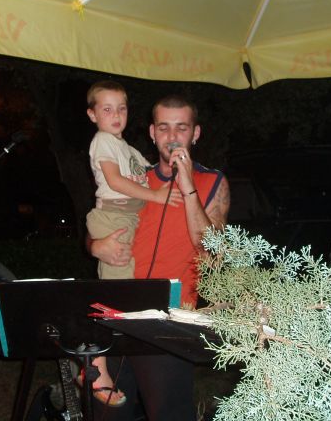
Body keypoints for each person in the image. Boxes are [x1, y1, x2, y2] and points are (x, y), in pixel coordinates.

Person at [88, 94, 230, 421]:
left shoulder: (212, 182)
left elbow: (212, 253)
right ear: (152, 133)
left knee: (168, 413)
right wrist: (96, 246)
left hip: (169, 319)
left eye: (182, 128)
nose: (172, 136)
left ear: (195, 133)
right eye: (164, 128)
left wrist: (187, 185)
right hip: (119, 310)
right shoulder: (134, 178)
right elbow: (101, 220)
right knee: (109, 414)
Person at [84, 81, 182, 407]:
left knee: (120, 295)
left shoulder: (128, 149)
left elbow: (146, 172)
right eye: (107, 109)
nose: (116, 115)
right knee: (113, 297)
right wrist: (156, 196)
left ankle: (99, 360)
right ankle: (93, 367)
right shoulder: (102, 141)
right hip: (113, 218)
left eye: (122, 108)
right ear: (92, 114)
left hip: (125, 219)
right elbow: (114, 181)